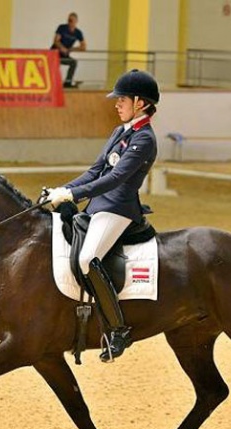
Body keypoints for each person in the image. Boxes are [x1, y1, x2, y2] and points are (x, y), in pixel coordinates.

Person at [44, 69, 159, 362]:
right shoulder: (120, 132)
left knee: (86, 259)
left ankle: (118, 329)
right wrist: (64, 189)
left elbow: (117, 177)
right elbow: (96, 171)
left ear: (140, 103)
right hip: (98, 205)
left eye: (122, 100)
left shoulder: (144, 138)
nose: (116, 104)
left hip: (118, 208)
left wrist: (74, 196)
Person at [51, 12, 86, 88]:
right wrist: (62, 47)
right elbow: (56, 41)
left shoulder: (78, 32)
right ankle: (53, 84)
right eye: (68, 20)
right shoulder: (62, 27)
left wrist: (71, 49)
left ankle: (67, 82)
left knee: (73, 63)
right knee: (55, 67)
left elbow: (83, 47)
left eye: (71, 20)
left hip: (64, 55)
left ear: (76, 21)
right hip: (54, 54)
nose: (69, 22)